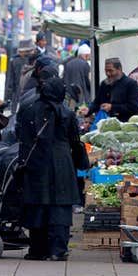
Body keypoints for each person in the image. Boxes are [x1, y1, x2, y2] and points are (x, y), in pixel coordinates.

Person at [15, 74, 90, 260]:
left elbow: (22, 138)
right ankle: (58, 249)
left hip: (37, 162)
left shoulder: (30, 110)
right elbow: (75, 140)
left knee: (38, 205)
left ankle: (38, 249)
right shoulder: (67, 113)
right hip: (62, 162)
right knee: (60, 206)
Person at [84, 58, 138, 122]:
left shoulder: (130, 84)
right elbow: (97, 103)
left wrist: (112, 107)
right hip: (106, 124)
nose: (108, 74)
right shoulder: (104, 84)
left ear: (119, 69)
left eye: (111, 71)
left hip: (125, 124)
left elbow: (134, 107)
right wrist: (88, 110)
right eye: (106, 71)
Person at [5, 39, 35, 110]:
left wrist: (8, 99)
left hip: (17, 95)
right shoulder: (34, 61)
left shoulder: (14, 61)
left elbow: (10, 82)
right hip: (31, 94)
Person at [62, 43, 93, 108]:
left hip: (70, 98)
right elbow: (88, 82)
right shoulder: (85, 64)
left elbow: (64, 80)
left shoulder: (68, 64)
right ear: (86, 55)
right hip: (82, 98)